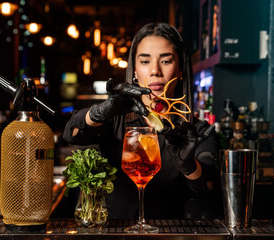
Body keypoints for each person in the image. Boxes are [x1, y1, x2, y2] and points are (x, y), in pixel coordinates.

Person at [63, 22, 221, 219]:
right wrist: (99, 112)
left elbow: (208, 189)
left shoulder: (198, 131)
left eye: (165, 61)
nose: (155, 70)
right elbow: (73, 134)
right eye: (145, 61)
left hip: (169, 232)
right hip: (115, 231)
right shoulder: (116, 121)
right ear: (135, 71)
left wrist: (189, 165)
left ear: (180, 69)